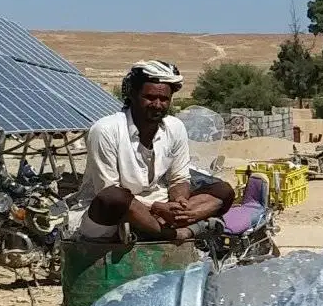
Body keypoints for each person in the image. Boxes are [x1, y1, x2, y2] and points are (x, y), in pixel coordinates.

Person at [76, 61, 234, 244]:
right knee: (115, 197)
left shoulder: (175, 127)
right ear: (133, 95)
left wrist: (179, 204)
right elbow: (107, 192)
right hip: (112, 215)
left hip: (159, 210)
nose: (157, 105)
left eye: (164, 99)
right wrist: (157, 208)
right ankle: (176, 235)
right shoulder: (105, 130)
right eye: (150, 97)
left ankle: (163, 227)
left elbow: (179, 179)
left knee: (224, 192)